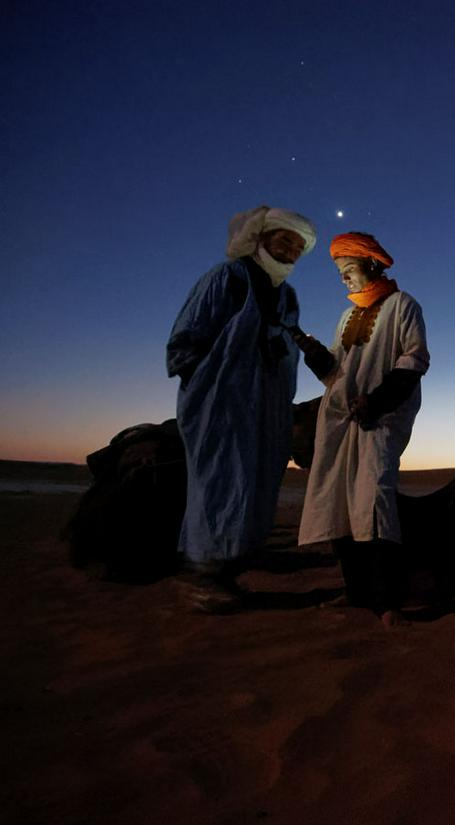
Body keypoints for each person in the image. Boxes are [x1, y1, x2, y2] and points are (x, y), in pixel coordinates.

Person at [167, 205, 317, 612]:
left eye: (298, 244)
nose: (291, 248)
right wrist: (205, 384)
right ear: (261, 237)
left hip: (266, 403)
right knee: (220, 478)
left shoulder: (286, 295)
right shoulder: (228, 278)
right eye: (284, 238)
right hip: (221, 399)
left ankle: (232, 560)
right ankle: (202, 573)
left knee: (257, 479)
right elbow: (187, 340)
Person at [296, 232, 429, 627]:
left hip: (379, 421)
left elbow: (414, 358)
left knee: (374, 503)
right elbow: (337, 373)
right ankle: (356, 593)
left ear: (371, 264)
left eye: (348, 270)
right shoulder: (347, 316)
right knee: (340, 502)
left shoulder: (403, 305)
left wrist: (378, 400)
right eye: (340, 273)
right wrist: (313, 352)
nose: (344, 279)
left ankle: (388, 602)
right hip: (340, 421)